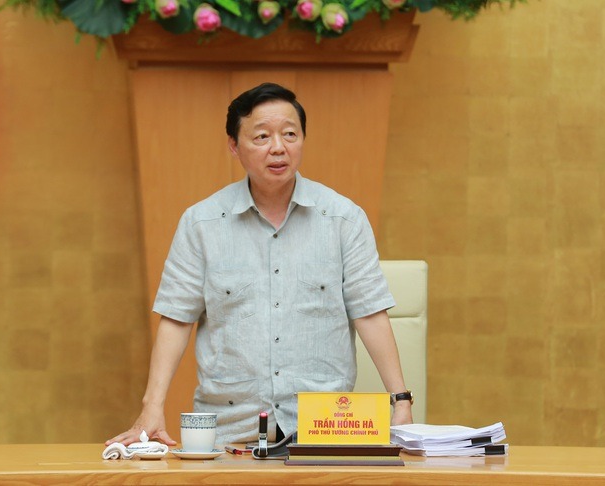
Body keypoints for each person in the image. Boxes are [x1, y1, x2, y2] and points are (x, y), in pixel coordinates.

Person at [106, 82, 413, 447]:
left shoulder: (343, 218)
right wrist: (151, 407)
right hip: (231, 431)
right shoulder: (202, 223)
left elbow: (369, 312)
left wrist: (401, 400)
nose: (278, 147)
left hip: (323, 429)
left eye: (290, 134)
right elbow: (176, 317)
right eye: (262, 136)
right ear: (234, 146)